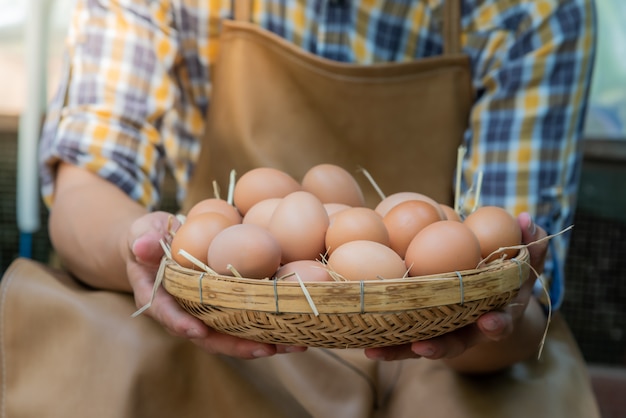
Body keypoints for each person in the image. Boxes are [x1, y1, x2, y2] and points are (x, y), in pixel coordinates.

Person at [5, 0, 597, 416]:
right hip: (228, 308)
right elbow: (87, 189)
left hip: (438, 347)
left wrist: (487, 308)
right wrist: (144, 249)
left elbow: (519, 287)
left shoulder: (532, 10)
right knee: (96, 359)